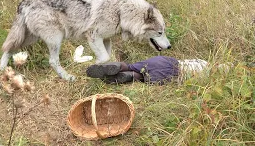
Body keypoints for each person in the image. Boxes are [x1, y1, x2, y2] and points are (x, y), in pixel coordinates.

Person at [86, 56, 217, 85]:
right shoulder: (209, 80)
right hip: (172, 75)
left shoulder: (203, 62)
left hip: (166, 61)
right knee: (142, 77)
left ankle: (119, 67)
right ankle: (131, 76)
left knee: (132, 65)